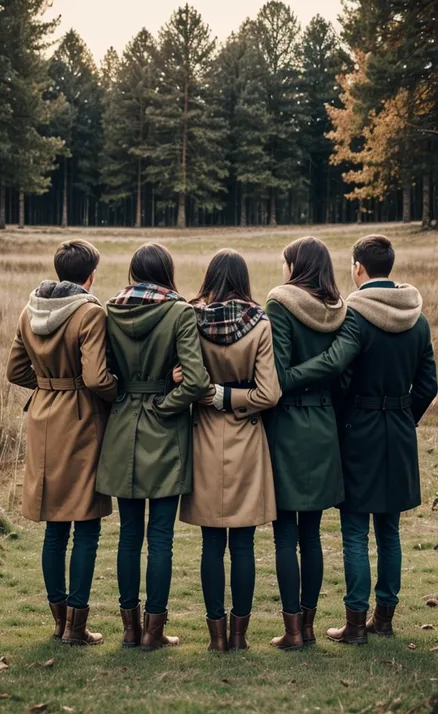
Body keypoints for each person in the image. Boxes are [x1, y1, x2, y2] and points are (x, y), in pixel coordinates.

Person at [282, 235, 438, 644]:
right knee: (390, 531)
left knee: (354, 531)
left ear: (358, 268)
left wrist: (297, 385)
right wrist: (404, 416)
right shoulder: (417, 319)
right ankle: (384, 619)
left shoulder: (356, 315)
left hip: (359, 431)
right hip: (399, 432)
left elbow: (338, 371)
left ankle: (354, 625)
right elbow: (428, 383)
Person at [96, 243, 210, 652]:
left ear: (133, 272)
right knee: (160, 537)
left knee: (129, 535)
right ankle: (152, 632)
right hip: (164, 430)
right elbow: (197, 382)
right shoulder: (179, 312)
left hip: (124, 425)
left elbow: (102, 372)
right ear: (167, 272)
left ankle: (128, 630)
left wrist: (126, 394)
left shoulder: (111, 310)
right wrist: (166, 399)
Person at [6, 239, 117, 646]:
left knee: (56, 528)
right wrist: (120, 395)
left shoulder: (30, 309)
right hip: (81, 418)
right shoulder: (90, 312)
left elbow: (15, 370)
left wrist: (47, 384)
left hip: (43, 418)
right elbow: (96, 378)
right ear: (90, 275)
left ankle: (58, 622)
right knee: (86, 526)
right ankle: (76, 626)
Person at [177, 249, 280, 652]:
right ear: (243, 279)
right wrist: (232, 396)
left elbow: (182, 377)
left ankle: (215, 637)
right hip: (246, 437)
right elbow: (269, 393)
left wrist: (210, 394)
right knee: (242, 544)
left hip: (203, 436)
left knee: (210, 544)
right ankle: (239, 636)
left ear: (209, 277)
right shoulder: (260, 324)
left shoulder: (190, 318)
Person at [264, 236, 347, 650]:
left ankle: (293, 631)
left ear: (296, 265)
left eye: (285, 262)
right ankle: (310, 628)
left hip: (288, 424)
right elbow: (343, 375)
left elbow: (275, 373)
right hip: (324, 424)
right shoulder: (339, 309)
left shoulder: (280, 304)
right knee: (311, 534)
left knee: (284, 535)